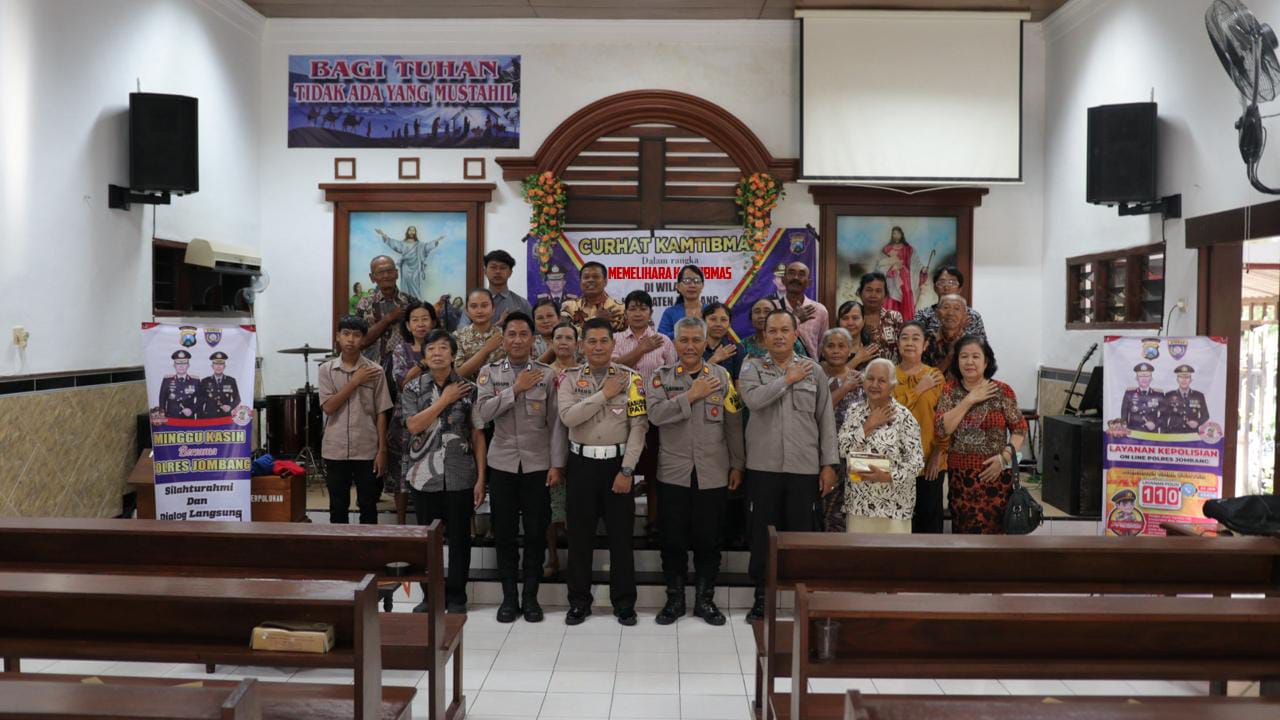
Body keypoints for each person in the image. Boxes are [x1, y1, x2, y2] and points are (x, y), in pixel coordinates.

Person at [740, 309, 839, 622]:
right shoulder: (752, 366)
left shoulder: (813, 371)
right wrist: (787, 379)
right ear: (765, 335)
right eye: (773, 331)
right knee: (762, 535)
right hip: (763, 467)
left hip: (803, 468)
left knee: (801, 536)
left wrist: (829, 464)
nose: (779, 336)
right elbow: (753, 401)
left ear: (796, 333)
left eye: (785, 330)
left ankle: (802, 599)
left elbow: (825, 420)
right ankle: (761, 598)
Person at [646, 316, 745, 626]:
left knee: (709, 539)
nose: (690, 346)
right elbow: (655, 415)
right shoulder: (660, 378)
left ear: (705, 343)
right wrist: (690, 395)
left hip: (713, 471)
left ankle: (705, 600)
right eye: (684, 340)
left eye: (696, 340)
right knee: (672, 539)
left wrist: (738, 463)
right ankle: (674, 600)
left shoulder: (722, 377)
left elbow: (733, 424)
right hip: (673, 472)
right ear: (675, 343)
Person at [557, 318, 648, 626]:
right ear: (582, 346)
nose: (598, 347)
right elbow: (568, 417)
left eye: (603, 341)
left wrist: (628, 470)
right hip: (581, 466)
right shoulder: (569, 379)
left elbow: (639, 427)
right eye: (591, 341)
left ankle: (624, 603)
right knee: (579, 539)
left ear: (613, 344)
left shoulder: (631, 379)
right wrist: (605, 394)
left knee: (621, 540)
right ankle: (578, 602)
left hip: (617, 467)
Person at [474, 312, 564, 623]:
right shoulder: (488, 373)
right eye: (511, 334)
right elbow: (483, 413)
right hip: (502, 464)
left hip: (538, 465)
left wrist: (557, 464)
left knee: (537, 533)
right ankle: (509, 598)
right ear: (503, 339)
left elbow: (556, 425)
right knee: (505, 534)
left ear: (533, 339)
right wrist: (515, 389)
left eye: (523, 334)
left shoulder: (546, 375)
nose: (517, 340)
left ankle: (531, 597)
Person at [400, 329, 486, 613]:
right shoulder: (413, 388)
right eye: (431, 349)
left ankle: (457, 596)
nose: (437, 353)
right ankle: (430, 595)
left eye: (443, 348)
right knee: (428, 540)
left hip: (461, 474)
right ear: (424, 357)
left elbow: (477, 434)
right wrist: (444, 400)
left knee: (460, 538)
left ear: (453, 354)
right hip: (424, 476)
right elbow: (414, 425)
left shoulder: (469, 389)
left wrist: (481, 478)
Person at [935, 336, 1027, 534]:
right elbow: (943, 429)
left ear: (986, 362)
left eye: (976, 356)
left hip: (995, 474)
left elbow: (1019, 429)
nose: (969, 362)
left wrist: (1004, 458)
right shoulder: (949, 390)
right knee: (963, 535)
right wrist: (969, 399)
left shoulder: (1002, 391)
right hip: (961, 479)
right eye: (964, 356)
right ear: (957, 361)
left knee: (994, 537)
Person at [612, 290, 677, 538]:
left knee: (654, 471)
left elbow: (673, 376)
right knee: (624, 467)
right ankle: (623, 523)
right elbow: (612, 369)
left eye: (643, 308)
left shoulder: (664, 341)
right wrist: (641, 349)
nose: (638, 313)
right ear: (626, 312)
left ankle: (653, 522)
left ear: (650, 312)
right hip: (621, 415)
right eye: (633, 308)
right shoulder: (616, 339)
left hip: (654, 415)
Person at [318, 315, 393, 525]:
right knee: (337, 506)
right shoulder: (326, 370)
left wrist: (382, 450)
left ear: (364, 339)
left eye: (357, 335)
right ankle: (340, 546)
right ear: (338, 337)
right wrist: (355, 381)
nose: (351, 339)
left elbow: (381, 412)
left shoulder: (376, 371)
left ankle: (368, 547)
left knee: (368, 505)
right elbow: (329, 407)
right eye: (346, 334)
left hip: (367, 448)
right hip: (335, 448)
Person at [839, 358, 924, 533]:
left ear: (892, 385)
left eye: (882, 380)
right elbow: (842, 449)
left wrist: (887, 475)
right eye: (870, 378)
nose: (874, 385)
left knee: (893, 552)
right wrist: (868, 426)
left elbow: (917, 463)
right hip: (859, 505)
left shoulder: (904, 417)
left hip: (894, 508)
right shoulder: (854, 411)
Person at [388, 301, 440, 524]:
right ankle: (401, 524)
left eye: (425, 319)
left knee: (433, 468)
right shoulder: (401, 350)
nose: (420, 324)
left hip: (436, 415)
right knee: (402, 470)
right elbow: (402, 382)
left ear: (433, 322)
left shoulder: (442, 346)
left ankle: (434, 523)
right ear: (408, 325)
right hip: (405, 419)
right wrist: (423, 364)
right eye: (415, 320)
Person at [893, 322, 947, 534]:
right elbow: (890, 413)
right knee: (899, 523)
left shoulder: (935, 376)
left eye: (916, 338)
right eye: (904, 338)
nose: (909, 343)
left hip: (929, 461)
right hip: (895, 462)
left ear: (925, 345)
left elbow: (944, 419)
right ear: (898, 344)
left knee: (929, 524)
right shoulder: (888, 375)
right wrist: (918, 390)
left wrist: (938, 452)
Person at [817, 327, 863, 532]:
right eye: (831, 346)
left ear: (850, 350)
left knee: (851, 514)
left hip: (855, 457)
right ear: (822, 349)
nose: (836, 351)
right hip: (820, 455)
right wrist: (844, 388)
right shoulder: (813, 375)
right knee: (822, 512)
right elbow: (816, 413)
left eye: (841, 346)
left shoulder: (861, 379)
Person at [544, 321, 580, 578]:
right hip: (548, 447)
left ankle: (577, 560)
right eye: (559, 338)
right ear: (552, 342)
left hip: (580, 446)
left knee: (577, 509)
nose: (564, 342)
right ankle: (552, 556)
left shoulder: (585, 372)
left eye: (569, 338)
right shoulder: (543, 374)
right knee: (550, 507)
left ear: (577, 344)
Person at [355, 255, 420, 369]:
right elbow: (360, 342)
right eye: (380, 272)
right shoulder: (364, 304)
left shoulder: (411, 302)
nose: (386, 275)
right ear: (372, 277)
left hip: (405, 369)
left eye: (390, 271)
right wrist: (388, 318)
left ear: (396, 274)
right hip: (370, 368)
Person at [459, 250, 533, 329]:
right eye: (493, 267)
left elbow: (533, 332)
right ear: (485, 271)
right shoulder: (474, 302)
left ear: (510, 273)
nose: (498, 271)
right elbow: (462, 332)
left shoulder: (522, 304)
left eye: (503, 268)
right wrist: (498, 325)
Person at [913, 266, 987, 339]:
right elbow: (918, 342)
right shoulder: (924, 315)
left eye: (952, 283)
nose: (947, 287)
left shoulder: (972, 316)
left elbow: (982, 345)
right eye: (942, 282)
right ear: (935, 288)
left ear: (960, 289)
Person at [778, 262, 829, 358]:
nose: (796, 278)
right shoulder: (773, 307)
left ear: (809, 283)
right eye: (791, 273)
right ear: (783, 280)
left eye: (801, 274)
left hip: (810, 366)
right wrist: (795, 319)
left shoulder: (820, 310)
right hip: (777, 365)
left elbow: (822, 347)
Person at [453, 288, 506, 379]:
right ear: (467, 310)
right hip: (469, 387)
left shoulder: (504, 335)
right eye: (474, 306)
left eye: (484, 306)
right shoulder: (458, 336)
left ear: (493, 308)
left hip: (501, 386)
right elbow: (459, 373)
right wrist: (486, 349)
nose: (479, 311)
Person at [375, 225, 441, 298]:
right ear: (407, 232)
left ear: (415, 232)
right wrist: (382, 234)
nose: (412, 232)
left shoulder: (419, 245)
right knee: (405, 284)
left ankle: (417, 300)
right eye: (410, 230)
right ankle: (406, 300)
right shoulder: (403, 243)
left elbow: (426, 247)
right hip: (406, 267)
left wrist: (435, 241)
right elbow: (393, 243)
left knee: (415, 284)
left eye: (413, 230)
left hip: (416, 267)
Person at [560, 261, 625, 332]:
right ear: (580, 282)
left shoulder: (620, 308)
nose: (590, 280)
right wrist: (596, 319)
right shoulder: (569, 307)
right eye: (586, 277)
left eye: (596, 277)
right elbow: (565, 333)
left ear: (605, 281)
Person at [875, 226, 922, 320]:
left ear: (901, 234)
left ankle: (906, 320)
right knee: (891, 296)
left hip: (905, 277)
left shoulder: (908, 249)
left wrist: (922, 269)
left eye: (898, 233)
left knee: (906, 293)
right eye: (894, 233)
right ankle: (890, 321)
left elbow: (916, 263)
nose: (896, 235)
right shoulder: (887, 249)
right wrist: (891, 268)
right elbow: (880, 264)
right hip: (892, 275)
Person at [741, 297, 808, 360]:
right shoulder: (744, 345)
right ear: (751, 317)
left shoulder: (791, 341)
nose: (762, 316)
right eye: (757, 312)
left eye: (767, 311)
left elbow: (805, 365)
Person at [858, 271, 903, 364]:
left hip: (891, 371)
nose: (873, 295)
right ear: (860, 293)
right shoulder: (852, 318)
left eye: (878, 291)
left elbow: (902, 349)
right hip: (859, 372)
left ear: (885, 296)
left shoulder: (894, 317)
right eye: (869, 290)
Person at [657, 264, 706, 339]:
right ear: (678, 286)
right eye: (687, 281)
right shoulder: (670, 313)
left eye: (696, 281)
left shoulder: (710, 310)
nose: (692, 285)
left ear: (702, 286)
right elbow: (661, 339)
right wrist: (684, 330)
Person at [924, 294, 970, 372]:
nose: (950, 313)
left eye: (957, 308)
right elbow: (922, 376)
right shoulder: (926, 339)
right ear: (937, 313)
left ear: (964, 315)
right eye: (946, 307)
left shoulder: (972, 342)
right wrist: (949, 357)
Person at [701, 302, 743, 380]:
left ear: (729, 324)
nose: (718, 324)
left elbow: (738, 383)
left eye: (723, 320)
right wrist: (714, 359)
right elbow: (690, 381)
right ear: (703, 322)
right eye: (713, 319)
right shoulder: (695, 347)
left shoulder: (735, 349)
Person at [1161, 364, 1209, 433]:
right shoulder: (1169, 395)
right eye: (1181, 377)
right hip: (1173, 433)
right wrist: (1164, 433)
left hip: (1191, 433)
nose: (1184, 380)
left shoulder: (1199, 396)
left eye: (1187, 377)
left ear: (1191, 380)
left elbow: (1205, 415)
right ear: (1177, 379)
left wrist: (1197, 422)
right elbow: (1163, 417)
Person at [835, 300, 881, 371]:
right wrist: (857, 359)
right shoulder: (832, 348)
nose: (850, 323)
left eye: (855, 318)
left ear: (864, 320)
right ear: (839, 321)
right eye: (845, 318)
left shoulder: (871, 349)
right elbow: (830, 377)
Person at [1121, 362, 1165, 432]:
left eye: (1147, 376)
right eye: (1141, 376)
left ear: (1151, 378)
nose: (1144, 379)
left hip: (1152, 434)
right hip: (1133, 433)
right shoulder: (1129, 394)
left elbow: (1164, 416)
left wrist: (1155, 424)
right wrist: (1124, 429)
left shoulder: (1159, 394)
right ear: (1136, 378)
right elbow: (1124, 416)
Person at [158, 349, 201, 419]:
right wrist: (163, 416)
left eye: (184, 363)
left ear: (188, 365)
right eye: (178, 363)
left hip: (188, 419)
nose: (181, 366)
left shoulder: (195, 381)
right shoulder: (167, 380)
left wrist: (192, 410)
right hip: (171, 418)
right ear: (174, 365)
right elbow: (162, 400)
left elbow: (200, 399)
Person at [197, 351, 241, 419]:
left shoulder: (231, 381)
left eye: (221, 364)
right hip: (209, 417)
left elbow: (237, 398)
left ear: (224, 366)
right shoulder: (205, 381)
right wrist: (200, 418)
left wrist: (230, 406)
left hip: (225, 417)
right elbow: (200, 401)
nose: (218, 367)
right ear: (212, 366)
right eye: (216, 364)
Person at [531, 297, 560, 363]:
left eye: (550, 316)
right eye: (540, 318)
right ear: (534, 323)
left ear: (559, 318)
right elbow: (529, 368)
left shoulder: (574, 340)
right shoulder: (529, 344)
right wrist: (551, 350)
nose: (546, 321)